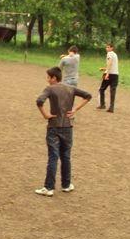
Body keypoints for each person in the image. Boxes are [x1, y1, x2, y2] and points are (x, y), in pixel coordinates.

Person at [34, 67, 92, 197]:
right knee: (66, 156)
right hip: (67, 126)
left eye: (48, 77)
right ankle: (66, 185)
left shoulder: (49, 89)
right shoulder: (71, 88)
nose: (47, 79)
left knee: (53, 157)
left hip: (54, 126)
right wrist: (75, 109)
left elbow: (39, 101)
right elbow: (88, 96)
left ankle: (48, 187)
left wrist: (45, 115)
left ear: (54, 78)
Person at [97, 43, 119, 113]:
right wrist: (104, 69)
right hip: (115, 74)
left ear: (112, 48)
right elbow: (113, 65)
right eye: (106, 47)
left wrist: (107, 73)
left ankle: (102, 104)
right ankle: (111, 107)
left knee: (102, 89)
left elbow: (109, 63)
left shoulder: (109, 54)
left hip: (109, 74)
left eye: (108, 47)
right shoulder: (115, 55)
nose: (107, 48)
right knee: (113, 91)